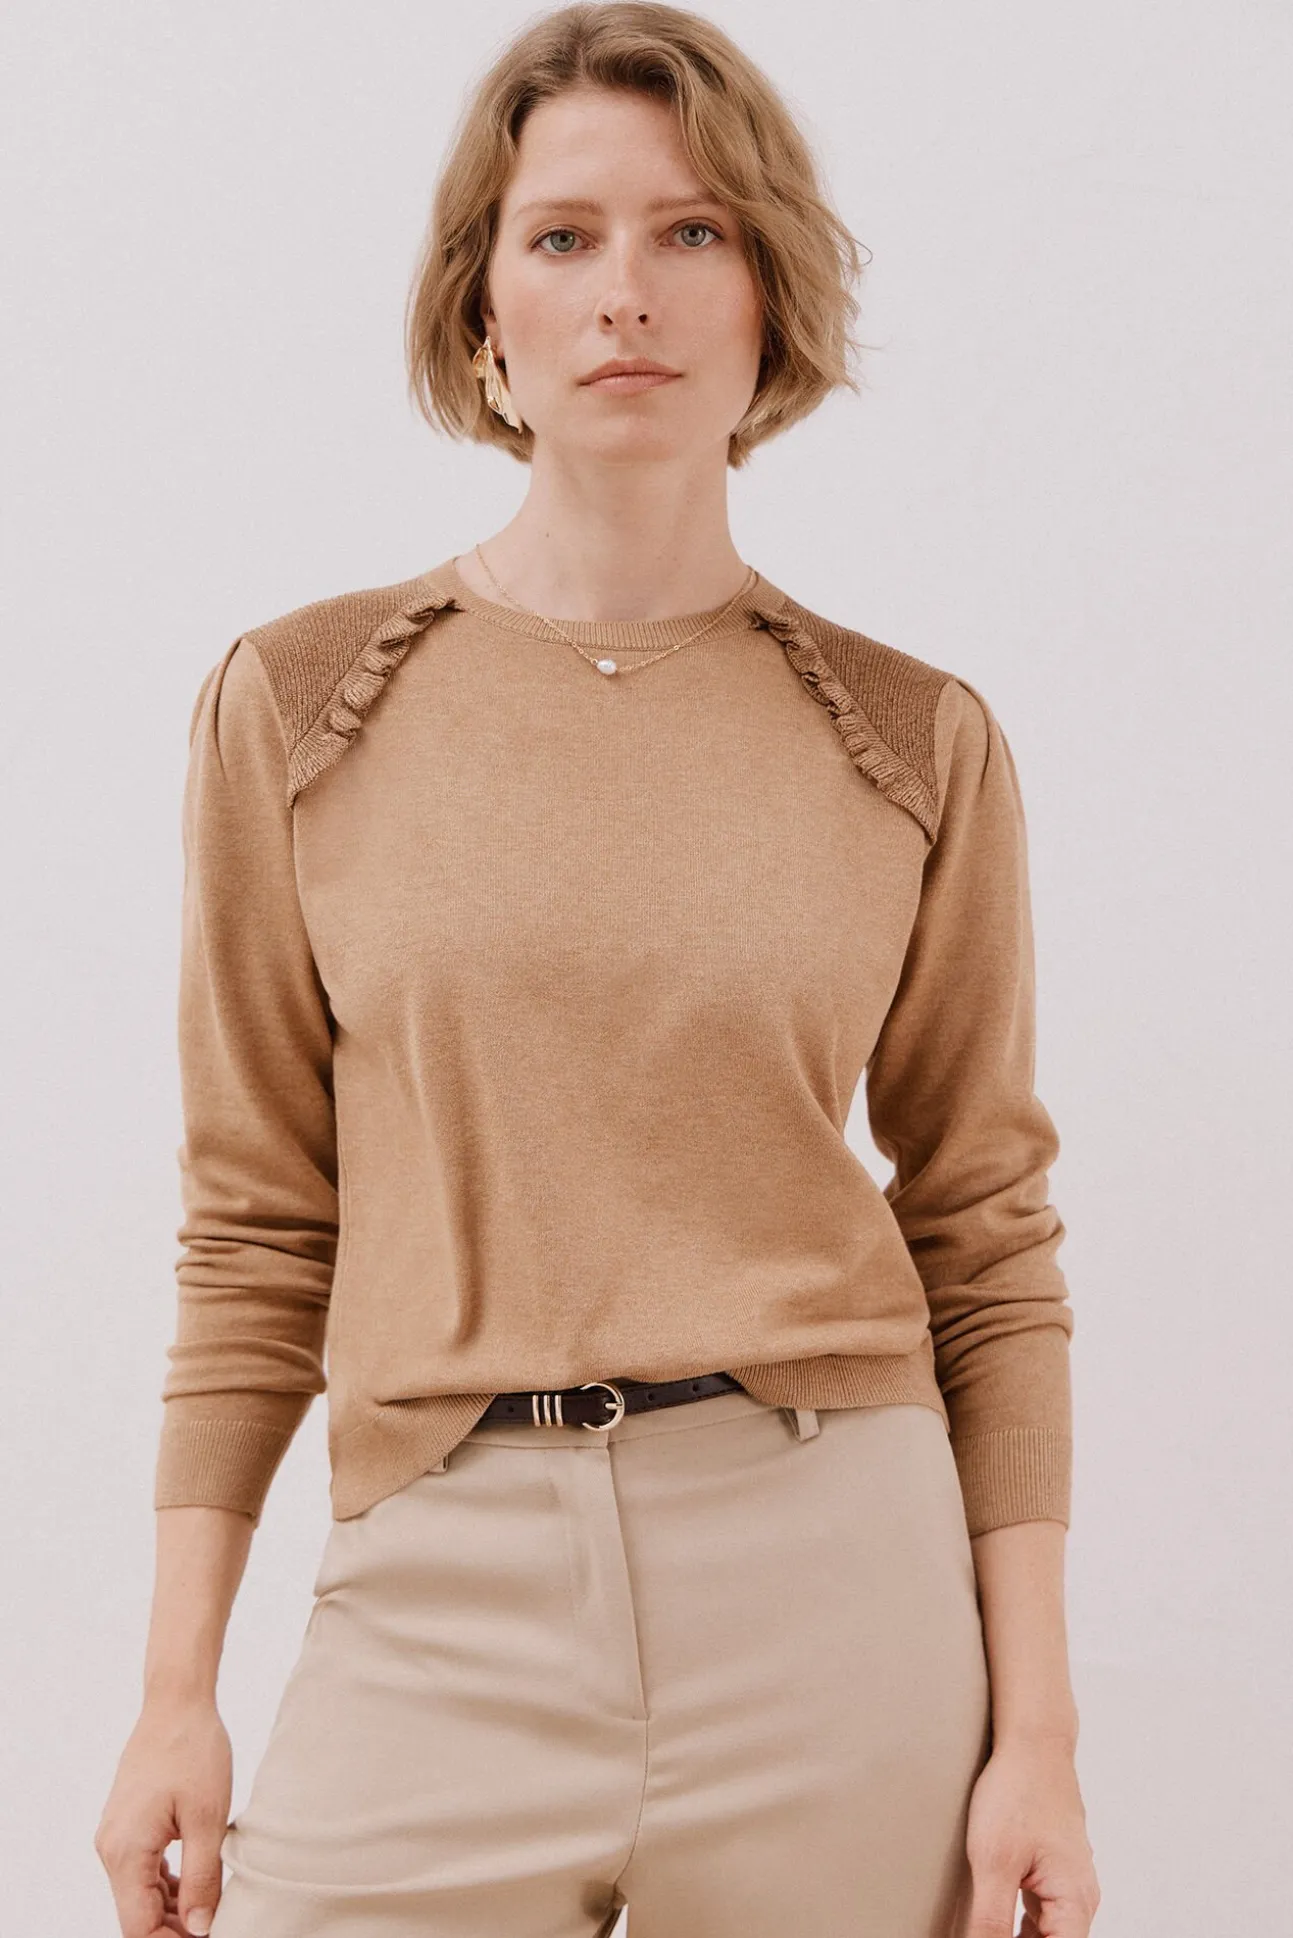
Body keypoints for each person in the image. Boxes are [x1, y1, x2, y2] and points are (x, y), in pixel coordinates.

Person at [95, 5, 1101, 1935]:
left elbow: (986, 1232)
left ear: (768, 301)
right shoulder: (299, 706)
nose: (626, 290)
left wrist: (1038, 1735)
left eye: (691, 231)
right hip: (438, 1578)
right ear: (484, 315)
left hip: (837, 1597)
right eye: (563, 236)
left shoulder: (914, 737)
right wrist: (172, 1694)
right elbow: (255, 1224)